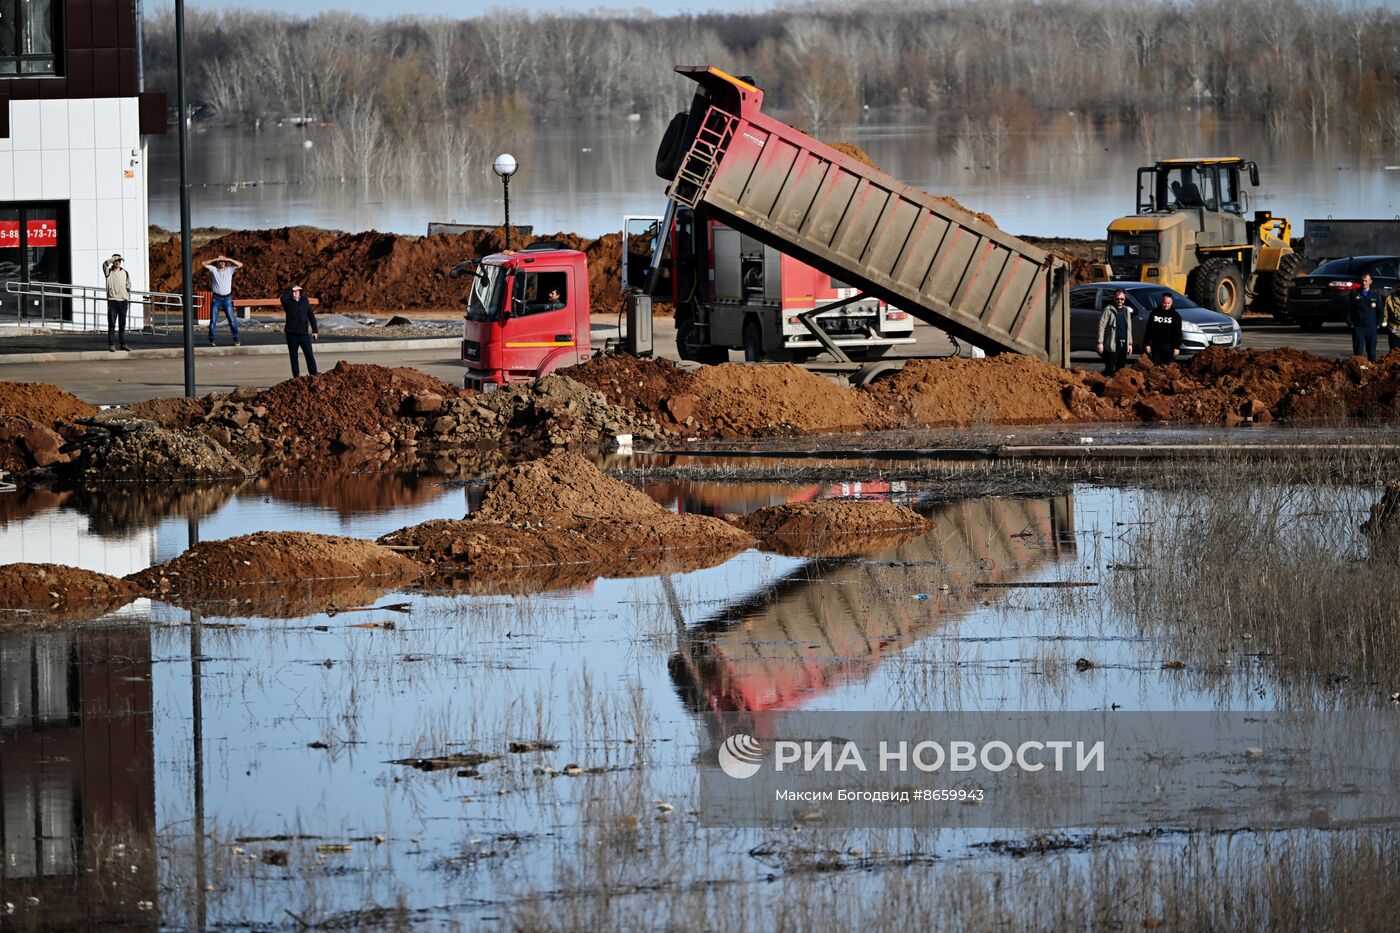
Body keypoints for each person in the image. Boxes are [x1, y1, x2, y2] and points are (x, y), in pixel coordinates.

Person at [203, 255, 244, 346]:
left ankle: (236, 339)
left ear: (225, 262)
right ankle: (212, 339)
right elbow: (203, 263)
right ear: (218, 262)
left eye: (223, 261)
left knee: (232, 320)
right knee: (213, 320)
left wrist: (229, 258)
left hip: (227, 298)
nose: (222, 263)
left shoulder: (230, 270)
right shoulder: (214, 269)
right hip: (216, 298)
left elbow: (240, 265)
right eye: (220, 261)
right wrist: (215, 259)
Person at [280, 283, 319, 376]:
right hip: (291, 334)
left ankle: (313, 374)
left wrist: (315, 331)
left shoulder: (305, 300)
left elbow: (311, 316)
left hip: (304, 333)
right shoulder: (288, 302)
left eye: (297, 291)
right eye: (294, 291)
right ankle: (296, 376)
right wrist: (291, 288)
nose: (296, 293)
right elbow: (282, 298)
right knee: (294, 356)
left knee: (309, 355)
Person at [1096, 288, 1134, 376]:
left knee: (1121, 368)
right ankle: (1106, 385)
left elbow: (1129, 328)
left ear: (1125, 299)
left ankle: (1118, 387)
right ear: (1114, 298)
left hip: (1124, 343)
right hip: (1113, 342)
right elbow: (1101, 326)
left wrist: (1130, 343)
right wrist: (1100, 342)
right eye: (1117, 299)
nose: (1119, 301)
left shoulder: (1126, 311)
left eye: (1122, 299)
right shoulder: (1108, 310)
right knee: (1110, 367)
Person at [1348, 272, 1382, 362]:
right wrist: (1351, 324)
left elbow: (1380, 312)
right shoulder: (1355, 294)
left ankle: (1372, 372)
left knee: (1372, 353)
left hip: (1371, 327)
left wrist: (1378, 325)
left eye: (1366, 281)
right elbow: (1348, 310)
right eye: (1362, 281)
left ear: (1370, 281)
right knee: (1358, 353)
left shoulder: (1375, 294)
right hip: (1358, 327)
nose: (1364, 283)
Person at [1142, 292, 1183, 365]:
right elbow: (1149, 330)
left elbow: (1177, 333)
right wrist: (1147, 343)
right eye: (1164, 303)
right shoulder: (1154, 313)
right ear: (1161, 302)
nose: (1166, 305)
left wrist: (1177, 347)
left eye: (1168, 303)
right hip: (1156, 345)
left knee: (1167, 367)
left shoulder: (1175, 316)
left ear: (1171, 303)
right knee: (1155, 366)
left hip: (1169, 346)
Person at [102, 254, 131, 352]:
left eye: (119, 260)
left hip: (123, 301)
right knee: (112, 324)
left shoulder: (125, 273)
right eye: (116, 260)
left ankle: (123, 344)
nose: (117, 262)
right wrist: (112, 259)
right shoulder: (108, 272)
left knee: (122, 325)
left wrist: (125, 294)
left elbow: (128, 285)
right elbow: (104, 265)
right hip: (112, 301)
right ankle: (111, 344)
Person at [1383, 287, 1400, 356]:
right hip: (1394, 330)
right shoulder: (1390, 298)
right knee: (1394, 353)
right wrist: (1384, 321)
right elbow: (1385, 311)